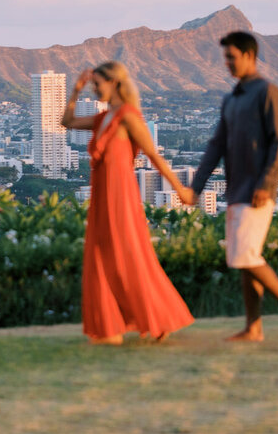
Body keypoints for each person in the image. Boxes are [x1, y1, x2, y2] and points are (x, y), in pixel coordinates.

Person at [61, 61, 195, 345]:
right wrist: (75, 91)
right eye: (93, 85)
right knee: (100, 256)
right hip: (101, 196)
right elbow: (68, 122)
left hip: (121, 196)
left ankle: (157, 318)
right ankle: (109, 327)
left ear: (114, 83)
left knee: (129, 256)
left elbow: (154, 155)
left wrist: (180, 188)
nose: (95, 90)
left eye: (98, 84)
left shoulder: (128, 116)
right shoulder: (102, 118)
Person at [187, 31, 278, 341]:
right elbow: (216, 145)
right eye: (225, 57)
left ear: (250, 56)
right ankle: (254, 328)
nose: (227, 63)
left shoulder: (268, 92)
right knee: (245, 258)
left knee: (244, 256)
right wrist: (196, 186)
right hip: (236, 189)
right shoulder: (231, 99)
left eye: (232, 57)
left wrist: (266, 183)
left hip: (258, 190)